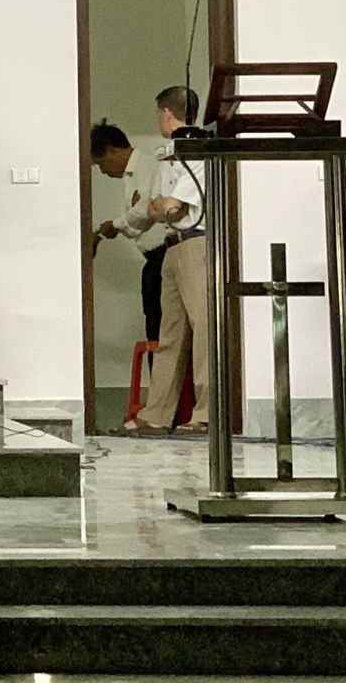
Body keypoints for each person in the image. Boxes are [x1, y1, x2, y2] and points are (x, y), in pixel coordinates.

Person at [126, 85, 208, 437]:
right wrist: (162, 207)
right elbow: (155, 207)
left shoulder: (199, 151)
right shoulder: (167, 154)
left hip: (196, 242)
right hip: (172, 245)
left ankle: (205, 413)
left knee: (203, 326)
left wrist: (163, 206)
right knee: (169, 332)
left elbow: (171, 206)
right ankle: (157, 413)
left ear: (166, 112)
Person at [90, 119, 179, 343]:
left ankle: (162, 365)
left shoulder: (148, 167)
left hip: (164, 255)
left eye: (101, 164)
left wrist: (114, 225)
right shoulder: (133, 174)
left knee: (159, 323)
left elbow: (146, 209)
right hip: (154, 257)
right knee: (153, 319)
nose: (103, 171)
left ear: (112, 150)